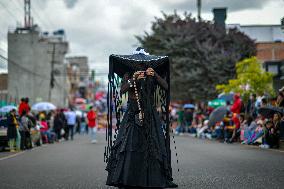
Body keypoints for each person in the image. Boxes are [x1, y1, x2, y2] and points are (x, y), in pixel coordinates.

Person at [106, 65, 177, 188]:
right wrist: (133, 79)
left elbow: (166, 87)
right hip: (133, 113)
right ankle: (128, 178)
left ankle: (156, 179)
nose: (142, 65)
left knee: (154, 145)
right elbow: (122, 90)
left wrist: (155, 75)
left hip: (150, 114)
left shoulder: (152, 72)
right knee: (131, 144)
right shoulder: (128, 73)